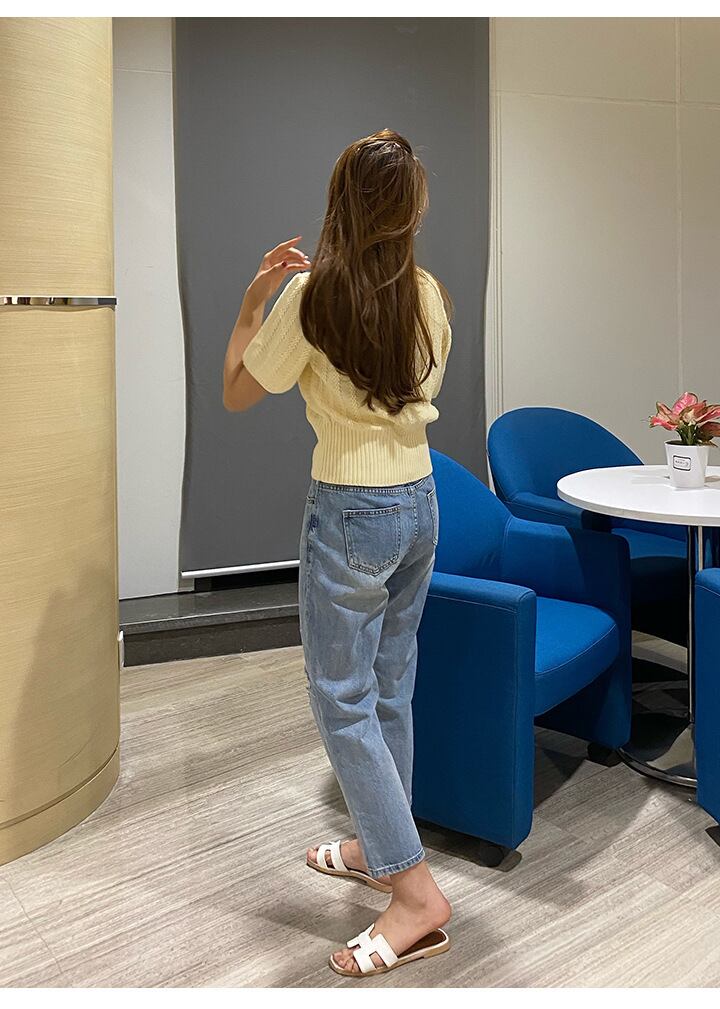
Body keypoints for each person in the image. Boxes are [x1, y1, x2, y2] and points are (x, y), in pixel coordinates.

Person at [223, 129, 453, 978]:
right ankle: (379, 847)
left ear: (341, 204)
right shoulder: (428, 294)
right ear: (412, 209)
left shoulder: (312, 295)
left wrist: (252, 304)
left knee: (341, 700)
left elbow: (239, 391)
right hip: (421, 501)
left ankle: (415, 894)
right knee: (389, 686)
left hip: (352, 510)